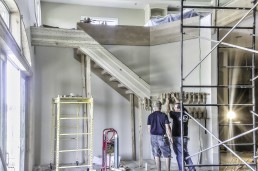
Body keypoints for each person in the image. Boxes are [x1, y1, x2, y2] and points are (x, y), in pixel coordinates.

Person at [166, 95, 196, 171]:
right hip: (185, 137)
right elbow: (180, 104)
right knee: (185, 154)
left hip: (177, 137)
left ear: (178, 109)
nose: (174, 108)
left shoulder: (175, 114)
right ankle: (192, 169)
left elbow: (168, 110)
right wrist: (175, 97)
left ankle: (182, 170)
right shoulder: (186, 112)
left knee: (179, 155)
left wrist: (167, 101)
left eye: (175, 108)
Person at [147, 101, 173, 171]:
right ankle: (168, 170)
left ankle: (158, 170)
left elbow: (149, 129)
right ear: (160, 107)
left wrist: (152, 136)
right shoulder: (164, 115)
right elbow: (167, 127)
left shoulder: (150, 116)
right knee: (167, 154)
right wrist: (170, 137)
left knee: (156, 154)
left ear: (153, 107)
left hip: (153, 137)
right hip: (162, 137)